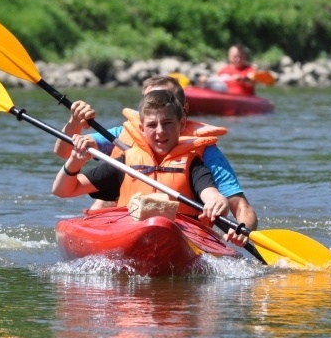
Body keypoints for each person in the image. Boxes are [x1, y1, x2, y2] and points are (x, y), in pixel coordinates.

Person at [52, 75, 258, 242]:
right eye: (148, 107)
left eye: (167, 120)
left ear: (182, 113)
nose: (159, 129)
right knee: (103, 202)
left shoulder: (200, 156)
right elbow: (65, 153)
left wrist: (241, 229)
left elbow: (237, 205)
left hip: (179, 228)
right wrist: (74, 123)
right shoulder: (123, 139)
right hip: (121, 221)